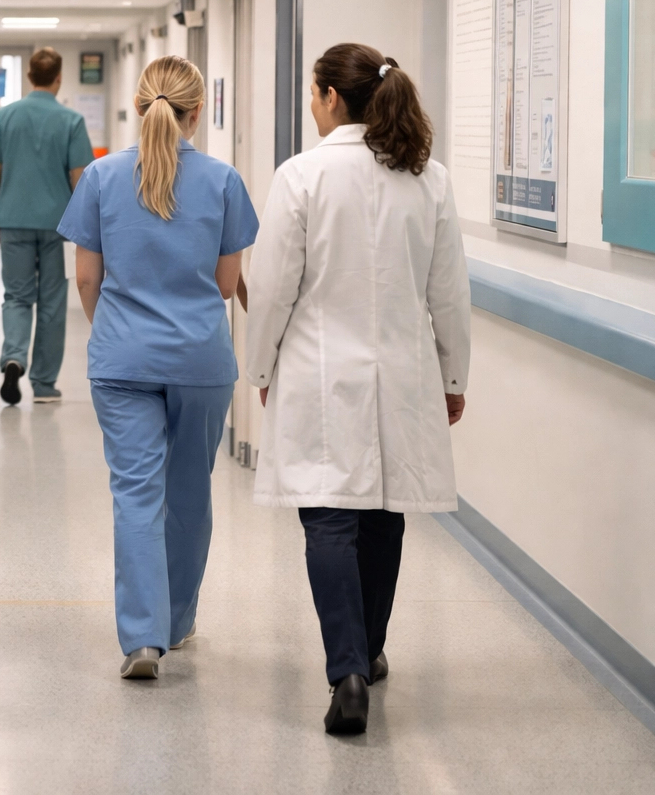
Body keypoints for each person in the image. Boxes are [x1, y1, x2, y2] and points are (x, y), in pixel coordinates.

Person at [246, 43, 471, 736]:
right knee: (383, 513)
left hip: (319, 375)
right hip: (403, 375)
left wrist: (260, 369)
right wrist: (453, 377)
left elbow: (273, 287)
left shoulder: (302, 175)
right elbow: (449, 293)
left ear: (331, 98)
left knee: (329, 518)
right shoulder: (428, 178)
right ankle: (368, 651)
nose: (313, 107)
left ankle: (346, 671)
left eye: (314, 95)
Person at [57, 55, 258, 681]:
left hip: (123, 359)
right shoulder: (223, 180)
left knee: (136, 494)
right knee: (190, 493)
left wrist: (116, 330)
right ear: (197, 114)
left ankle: (142, 638)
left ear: (139, 107)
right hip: (200, 358)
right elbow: (225, 285)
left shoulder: (100, 176)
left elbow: (86, 278)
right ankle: (175, 622)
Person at [0, 47, 94, 405]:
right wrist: (84, 228)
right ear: (59, 78)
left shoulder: (5, 116)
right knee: (52, 300)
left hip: (13, 220)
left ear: (29, 77)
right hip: (58, 226)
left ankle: (14, 357)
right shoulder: (72, 121)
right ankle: (44, 383)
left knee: (16, 296)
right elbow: (80, 179)